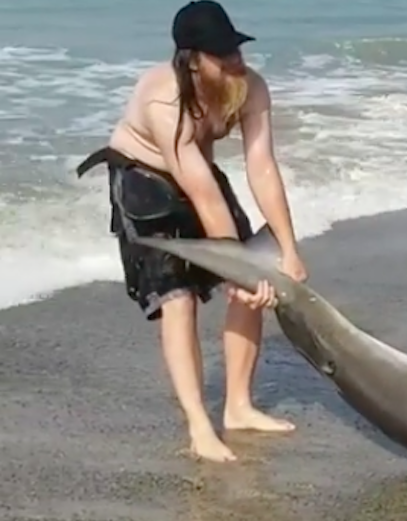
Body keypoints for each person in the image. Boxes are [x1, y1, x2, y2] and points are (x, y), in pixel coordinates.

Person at [75, 0, 308, 462]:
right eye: (223, 54)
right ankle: (199, 425)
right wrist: (233, 271)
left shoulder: (250, 87)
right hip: (144, 180)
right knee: (177, 298)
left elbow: (262, 167)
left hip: (197, 172)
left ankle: (238, 407)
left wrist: (288, 248)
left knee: (259, 277)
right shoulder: (165, 99)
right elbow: (201, 192)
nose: (236, 59)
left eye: (236, 48)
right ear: (194, 60)